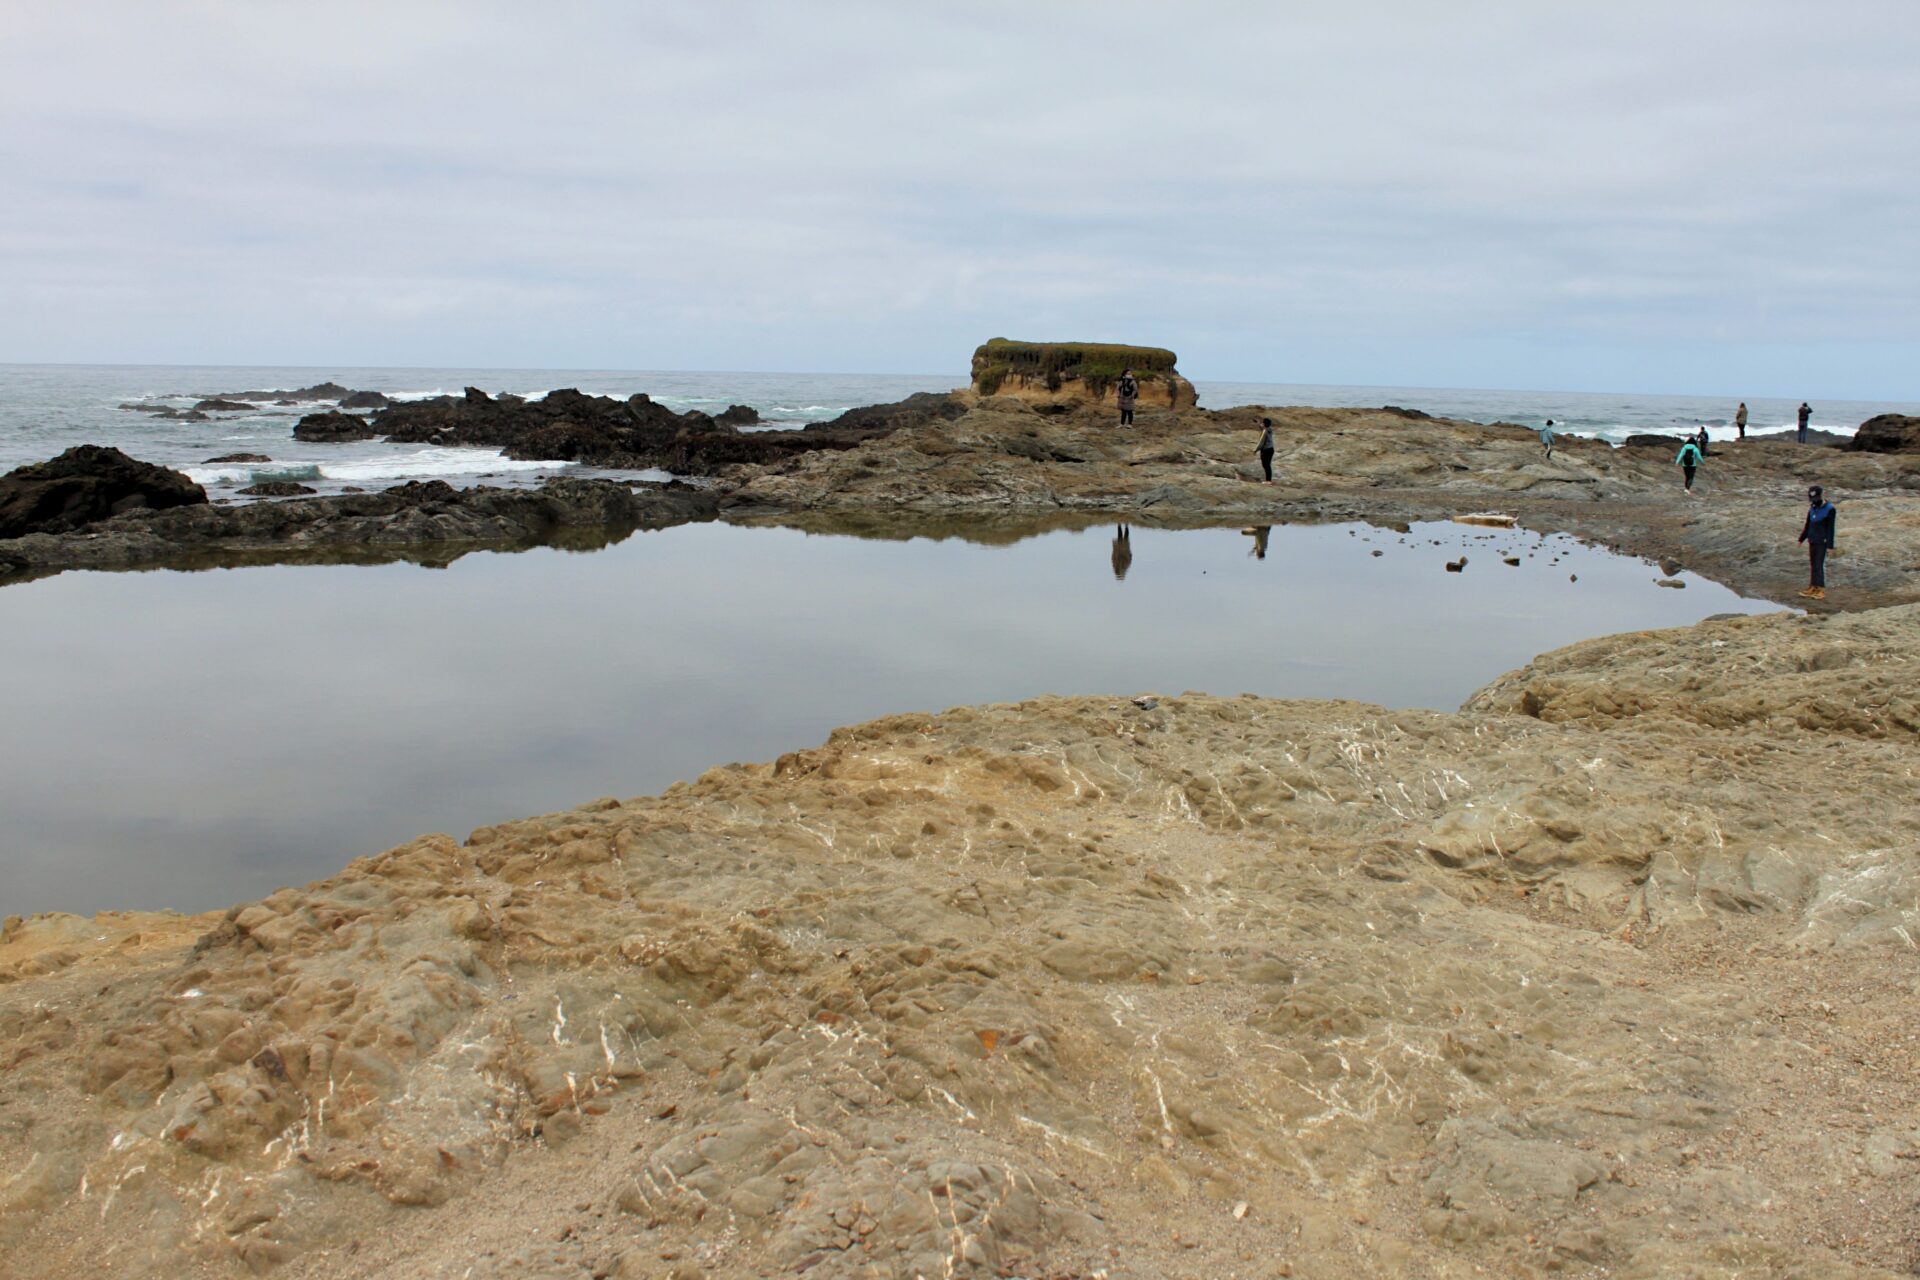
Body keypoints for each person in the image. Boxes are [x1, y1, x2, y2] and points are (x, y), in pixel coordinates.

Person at [1798, 485, 1836, 600]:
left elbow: (1831, 529)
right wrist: (1801, 539)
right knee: (1813, 564)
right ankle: (1813, 587)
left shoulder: (1830, 509)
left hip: (1822, 541)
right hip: (1812, 540)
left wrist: (1830, 546)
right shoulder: (1812, 508)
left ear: (1821, 496)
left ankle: (1821, 589)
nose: (1814, 501)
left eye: (1815, 499)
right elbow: (1808, 525)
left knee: (1819, 565)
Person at [1257, 417, 1275, 481]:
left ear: (1264, 424)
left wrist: (1256, 450)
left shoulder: (1266, 430)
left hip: (1266, 450)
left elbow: (1263, 429)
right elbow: (1262, 427)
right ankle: (1268, 480)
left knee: (1266, 465)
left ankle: (1268, 480)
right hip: (1270, 449)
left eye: (1263, 423)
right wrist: (1258, 422)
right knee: (1266, 465)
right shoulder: (1269, 429)